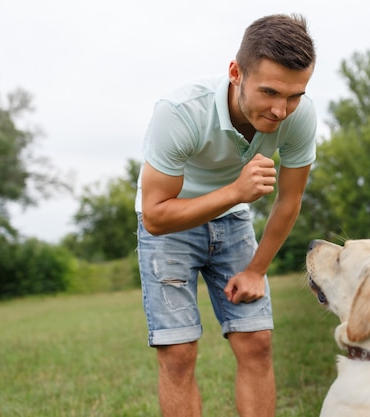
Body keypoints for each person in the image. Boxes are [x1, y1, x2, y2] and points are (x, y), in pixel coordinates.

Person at [135, 13, 317, 417]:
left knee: (257, 342)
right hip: (171, 226)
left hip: (233, 224)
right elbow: (155, 217)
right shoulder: (180, 112)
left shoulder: (299, 117)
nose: (281, 111)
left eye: (294, 95)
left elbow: (289, 201)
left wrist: (257, 269)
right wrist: (236, 191)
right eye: (269, 91)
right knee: (178, 353)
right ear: (236, 73)